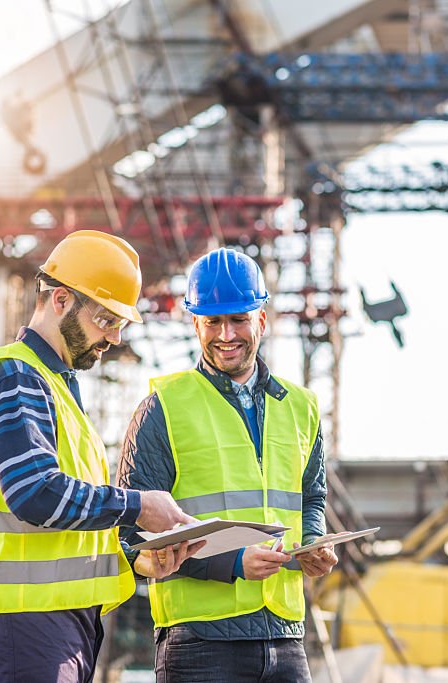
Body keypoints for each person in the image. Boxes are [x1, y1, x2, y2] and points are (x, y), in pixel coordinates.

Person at [0, 230, 203, 683]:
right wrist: (140, 506)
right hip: (20, 625)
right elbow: (36, 494)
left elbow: (64, 528)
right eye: (106, 319)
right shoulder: (16, 375)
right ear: (60, 300)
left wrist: (137, 559)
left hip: (52, 625)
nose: (115, 338)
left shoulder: (55, 386)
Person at [118, 247, 338, 682]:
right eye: (212, 322)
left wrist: (312, 543)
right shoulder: (163, 408)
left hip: (284, 634)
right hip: (199, 642)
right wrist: (234, 562)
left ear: (261, 318)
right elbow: (136, 535)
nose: (225, 335)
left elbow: (311, 496)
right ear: (195, 323)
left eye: (238, 319)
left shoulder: (302, 406)